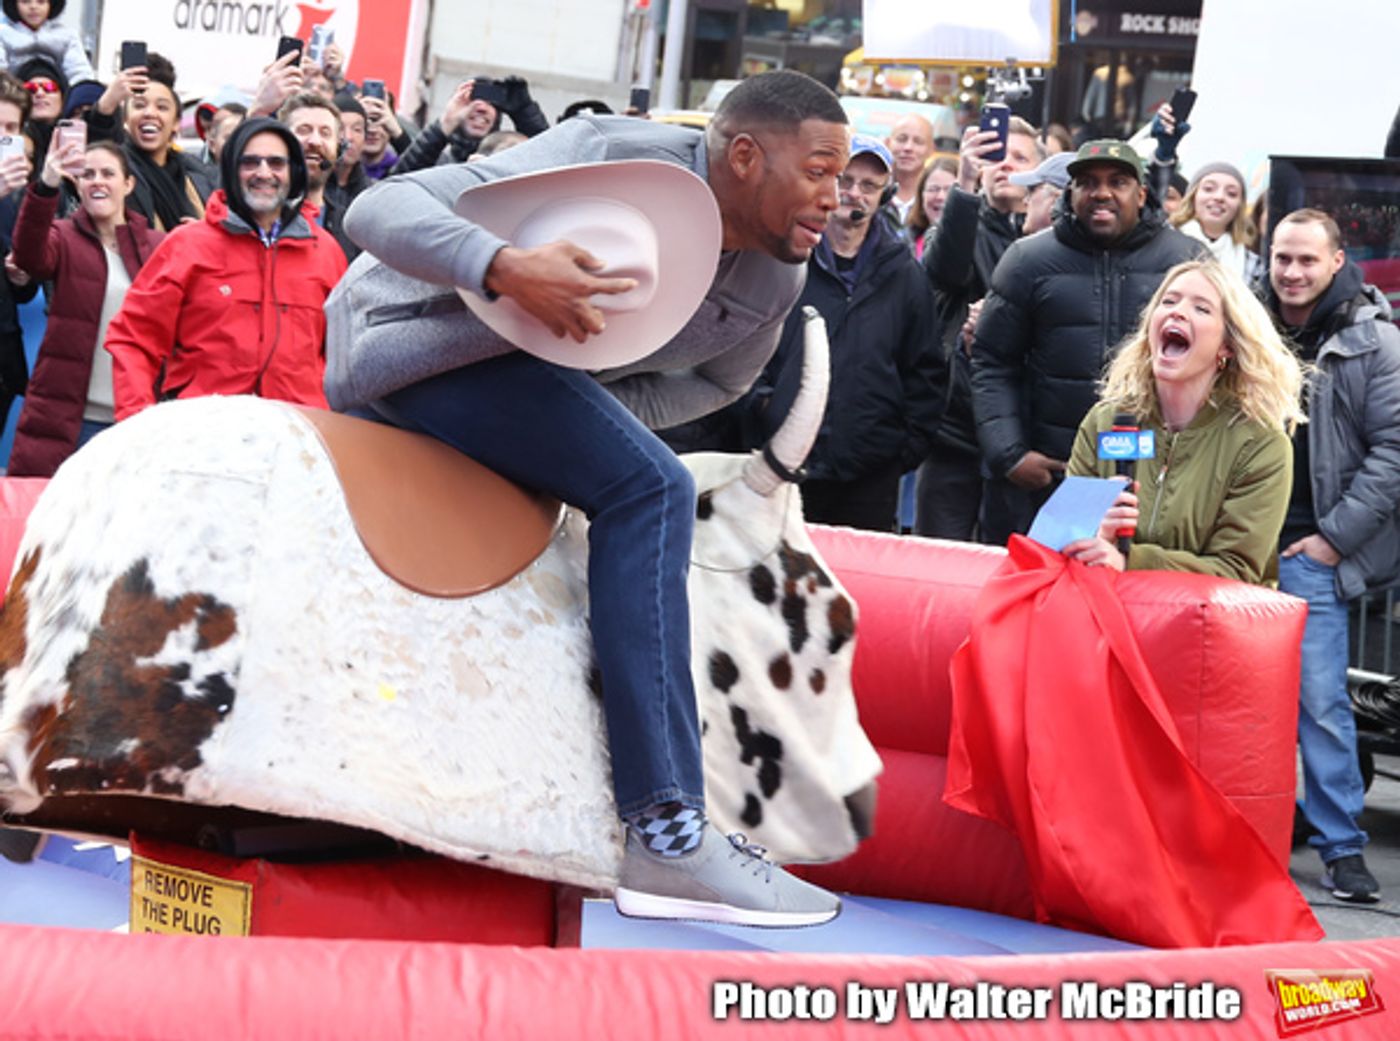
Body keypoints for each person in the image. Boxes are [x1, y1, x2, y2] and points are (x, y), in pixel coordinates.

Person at [332, 69, 850, 927]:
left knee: (636, 468)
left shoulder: (777, 279)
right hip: (405, 345)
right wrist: (503, 266)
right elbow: (375, 213)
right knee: (653, 488)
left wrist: (602, 419)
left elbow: (719, 381)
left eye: (843, 177)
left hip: (529, 386)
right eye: (821, 169)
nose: (838, 196)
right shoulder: (609, 151)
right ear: (748, 157)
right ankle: (668, 826)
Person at [1265, 208, 1400, 904]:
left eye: (1306, 260)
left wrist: (1333, 538)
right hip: (1236, 549)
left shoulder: (1376, 343)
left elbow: (1395, 452)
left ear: (1337, 261)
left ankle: (1343, 847)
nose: (1291, 272)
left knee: (1320, 704)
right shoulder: (1243, 326)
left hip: (1310, 553)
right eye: (1282, 258)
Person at [971, 138, 1202, 543]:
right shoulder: (1028, 259)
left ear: (1142, 193)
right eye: (1088, 182)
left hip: (1153, 483)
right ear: (1070, 192)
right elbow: (992, 362)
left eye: (1118, 182)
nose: (1102, 193)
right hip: (1044, 480)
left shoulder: (1187, 261)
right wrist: (1010, 454)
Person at [743, 136, 942, 532]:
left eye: (868, 185)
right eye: (845, 180)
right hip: (778, 462)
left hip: (868, 474)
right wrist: (760, 410)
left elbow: (926, 370)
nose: (854, 194)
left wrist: (900, 450)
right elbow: (743, 342)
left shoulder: (904, 273)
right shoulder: (784, 259)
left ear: (884, 194)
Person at [1063, 259, 1301, 585]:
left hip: (1204, 629)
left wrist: (1131, 561)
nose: (1177, 312)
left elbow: (1236, 570)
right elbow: (1064, 538)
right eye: (1169, 301)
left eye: (1202, 309)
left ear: (1227, 346)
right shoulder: (1105, 421)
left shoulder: (1260, 443)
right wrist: (1096, 533)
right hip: (1106, 618)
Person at [104, 117, 346, 418]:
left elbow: (343, 359)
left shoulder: (325, 252)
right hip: (205, 434)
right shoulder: (187, 245)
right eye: (250, 162)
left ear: (293, 173)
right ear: (231, 171)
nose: (263, 173)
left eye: (276, 163)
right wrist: (137, 421)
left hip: (297, 436)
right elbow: (134, 338)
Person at [912, 116, 1040, 542]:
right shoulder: (958, 223)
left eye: (1020, 158)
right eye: (996, 156)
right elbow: (944, 269)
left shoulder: (1050, 242)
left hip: (1020, 436)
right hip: (954, 431)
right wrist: (964, 185)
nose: (1006, 165)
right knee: (936, 562)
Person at [6, 138, 162, 474]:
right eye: (88, 174)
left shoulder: (157, 246)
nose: (98, 181)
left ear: (128, 184)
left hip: (134, 422)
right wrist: (46, 185)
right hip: (71, 421)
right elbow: (29, 255)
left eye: (108, 173)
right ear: (78, 183)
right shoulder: (62, 236)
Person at [85, 53, 216, 231]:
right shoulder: (117, 169)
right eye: (139, 105)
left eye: (162, 107)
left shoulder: (198, 174)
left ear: (176, 122)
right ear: (125, 118)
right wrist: (107, 105)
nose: (150, 113)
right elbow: (96, 149)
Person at [393, 77, 548, 175]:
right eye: (471, 101)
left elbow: (549, 162)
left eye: (491, 103)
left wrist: (525, 112)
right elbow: (396, 185)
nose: (481, 108)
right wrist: (445, 124)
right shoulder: (436, 164)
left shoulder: (506, 166)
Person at [279, 91, 355, 262]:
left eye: (325, 133)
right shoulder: (259, 217)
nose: (315, 141)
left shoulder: (351, 228)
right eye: (304, 130)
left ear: (339, 148)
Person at [1170, 162, 1263, 287]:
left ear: (1240, 206)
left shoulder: (1252, 263)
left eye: (1231, 193)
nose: (1219, 197)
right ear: (1193, 196)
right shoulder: (1166, 243)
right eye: (1209, 189)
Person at [0, 0, 91, 84]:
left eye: (41, 1)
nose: (33, 7)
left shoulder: (67, 36)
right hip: (14, 95)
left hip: (57, 95)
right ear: (14, 4)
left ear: (51, 4)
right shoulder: (3, 34)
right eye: (25, 1)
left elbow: (79, 73)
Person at [883, 113, 934, 225]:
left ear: (931, 149)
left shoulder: (935, 199)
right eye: (901, 139)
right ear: (887, 143)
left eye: (918, 141)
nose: (908, 148)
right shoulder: (874, 192)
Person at [905, 156, 956, 258]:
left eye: (950, 190)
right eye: (933, 189)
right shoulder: (903, 244)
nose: (941, 197)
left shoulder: (978, 244)